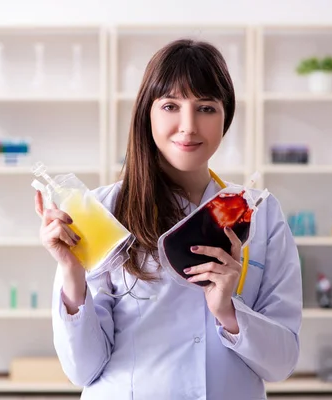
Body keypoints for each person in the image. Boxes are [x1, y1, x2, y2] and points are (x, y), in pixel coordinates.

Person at [34, 38, 303, 399]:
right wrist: (72, 274)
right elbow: (82, 369)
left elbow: (281, 363)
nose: (188, 126)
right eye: (171, 106)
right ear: (148, 112)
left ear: (226, 117)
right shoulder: (102, 212)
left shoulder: (261, 213)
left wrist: (228, 312)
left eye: (206, 108)